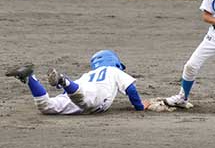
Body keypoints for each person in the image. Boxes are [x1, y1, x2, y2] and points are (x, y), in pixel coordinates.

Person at [5, 50, 149, 114]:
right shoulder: (114, 71)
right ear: (115, 63)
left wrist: (65, 91)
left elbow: (74, 89)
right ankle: (63, 80)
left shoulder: (89, 74)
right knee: (84, 98)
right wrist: (139, 106)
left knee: (46, 106)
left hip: (77, 94)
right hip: (92, 98)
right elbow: (131, 89)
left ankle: (30, 77)